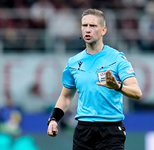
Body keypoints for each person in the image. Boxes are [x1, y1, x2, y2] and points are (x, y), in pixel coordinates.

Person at [47, 8, 142, 150]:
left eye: (93, 26)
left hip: (111, 131)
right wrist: (54, 119)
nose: (88, 30)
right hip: (83, 131)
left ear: (103, 30)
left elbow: (137, 92)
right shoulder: (73, 63)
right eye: (84, 26)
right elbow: (66, 97)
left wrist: (118, 86)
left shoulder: (117, 59)